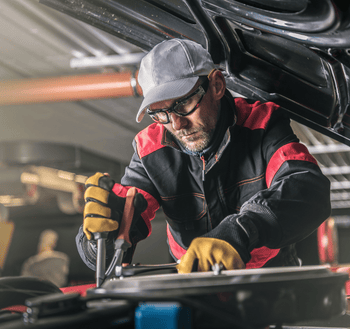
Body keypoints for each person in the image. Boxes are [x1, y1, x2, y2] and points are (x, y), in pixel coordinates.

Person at [76, 38, 331, 274]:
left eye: (183, 104)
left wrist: (240, 232)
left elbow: (305, 186)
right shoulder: (149, 149)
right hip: (190, 273)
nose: (176, 125)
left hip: (265, 272)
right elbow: (127, 221)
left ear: (217, 85)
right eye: (160, 113)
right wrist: (102, 237)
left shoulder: (262, 124)